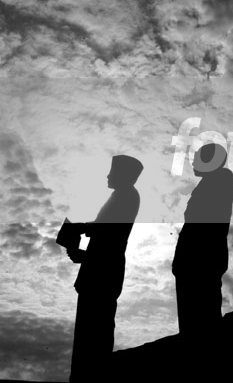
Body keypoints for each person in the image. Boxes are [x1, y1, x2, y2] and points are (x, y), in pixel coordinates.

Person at [66, 155, 143, 382]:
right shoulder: (122, 196)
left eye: (113, 172)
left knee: (93, 332)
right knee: (91, 330)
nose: (108, 176)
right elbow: (106, 235)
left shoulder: (126, 196)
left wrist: (81, 229)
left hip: (102, 272)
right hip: (101, 268)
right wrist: (85, 254)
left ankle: (89, 379)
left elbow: (108, 232)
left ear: (124, 175)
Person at [172, 143, 233, 341]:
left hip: (201, 259)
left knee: (202, 322)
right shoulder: (210, 181)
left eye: (198, 158)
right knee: (190, 322)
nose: (193, 163)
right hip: (192, 259)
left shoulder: (221, 177)